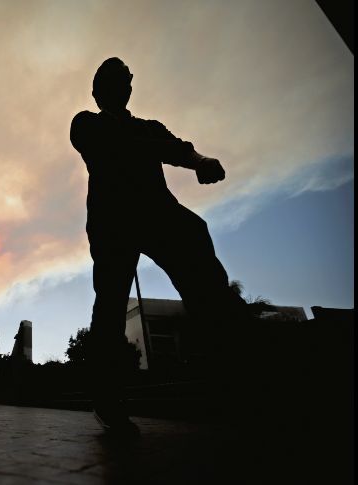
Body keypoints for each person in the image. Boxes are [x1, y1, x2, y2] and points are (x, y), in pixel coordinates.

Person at [70, 57, 248, 436]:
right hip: (113, 221)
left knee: (196, 243)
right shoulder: (86, 123)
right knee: (112, 302)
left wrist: (199, 160)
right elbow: (133, 145)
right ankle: (108, 396)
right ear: (99, 91)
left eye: (126, 81)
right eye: (115, 82)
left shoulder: (149, 128)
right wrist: (162, 149)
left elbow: (177, 147)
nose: (124, 88)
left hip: (156, 213)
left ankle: (228, 361)